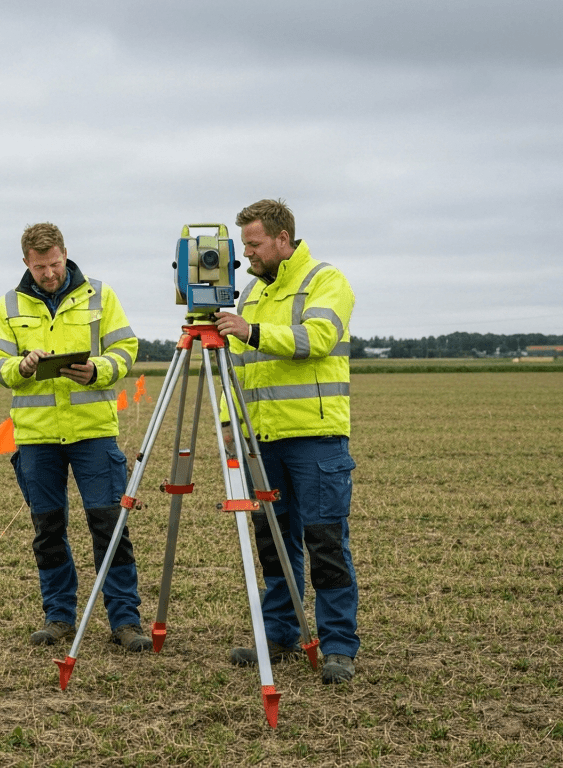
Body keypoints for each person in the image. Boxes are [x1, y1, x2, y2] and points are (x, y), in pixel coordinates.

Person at [0, 222, 151, 652]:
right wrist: (20, 367)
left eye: (54, 264)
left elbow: (125, 349)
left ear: (65, 254)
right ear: (26, 262)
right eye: (40, 267)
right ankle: (58, 617)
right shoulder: (8, 305)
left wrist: (97, 370)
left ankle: (125, 621)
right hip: (37, 438)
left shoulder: (100, 295)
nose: (49, 273)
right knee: (48, 531)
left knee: (109, 528)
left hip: (94, 433)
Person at [213, 199, 360, 684]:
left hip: (315, 438)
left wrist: (252, 331)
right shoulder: (251, 293)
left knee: (325, 543)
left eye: (254, 244)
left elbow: (317, 338)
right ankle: (280, 634)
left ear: (282, 238)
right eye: (245, 245)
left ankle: (338, 645)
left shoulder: (325, 280)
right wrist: (229, 421)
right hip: (262, 440)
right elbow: (236, 363)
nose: (247, 254)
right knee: (273, 543)